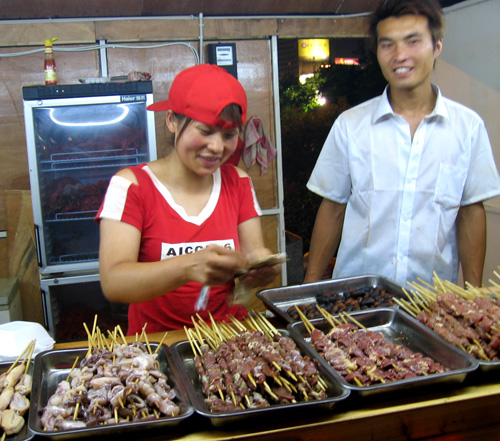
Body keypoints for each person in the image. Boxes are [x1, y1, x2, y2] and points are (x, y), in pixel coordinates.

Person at [304, 0, 500, 288]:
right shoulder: (351, 125)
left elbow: (470, 212)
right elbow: (332, 208)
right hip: (356, 300)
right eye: (388, 44)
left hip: (431, 302)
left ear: (437, 46)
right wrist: (308, 289)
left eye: (413, 41)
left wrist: (474, 296)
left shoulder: (468, 128)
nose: (400, 55)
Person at [96, 64, 280, 334]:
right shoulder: (131, 186)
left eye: (229, 135)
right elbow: (114, 282)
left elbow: (254, 252)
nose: (217, 147)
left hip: (229, 340)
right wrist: (188, 266)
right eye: (205, 131)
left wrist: (261, 267)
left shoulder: (238, 182)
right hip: (158, 346)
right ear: (172, 120)